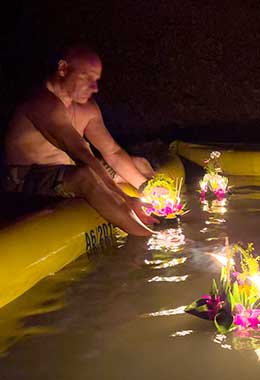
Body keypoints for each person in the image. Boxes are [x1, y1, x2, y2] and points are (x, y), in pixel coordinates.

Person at [2, 44, 158, 236]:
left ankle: (157, 210)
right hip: (25, 183)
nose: (94, 88)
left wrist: (147, 188)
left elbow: (113, 152)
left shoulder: (87, 108)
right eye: (87, 77)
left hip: (66, 171)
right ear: (63, 69)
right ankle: (146, 236)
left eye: (97, 80)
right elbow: (81, 155)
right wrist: (125, 199)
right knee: (85, 175)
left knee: (139, 164)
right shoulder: (43, 103)